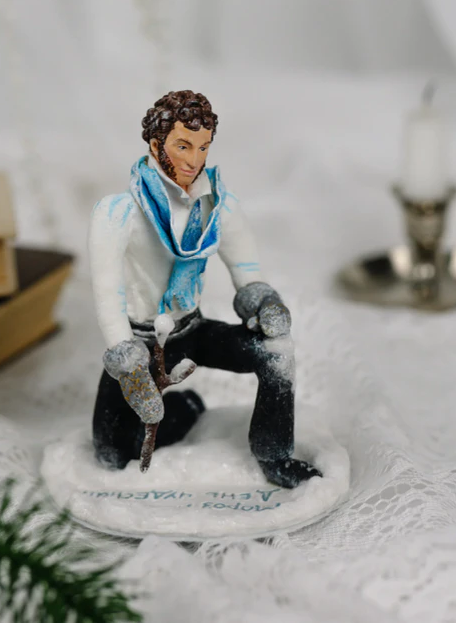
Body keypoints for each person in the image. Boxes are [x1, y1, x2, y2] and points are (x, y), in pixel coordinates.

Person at [89, 90, 321, 488]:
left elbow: (247, 271)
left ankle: (275, 456)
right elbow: (108, 294)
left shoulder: (218, 206)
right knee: (111, 454)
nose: (194, 160)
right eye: (183, 146)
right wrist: (129, 368)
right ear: (155, 144)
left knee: (277, 353)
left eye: (203, 147)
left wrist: (265, 304)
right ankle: (186, 408)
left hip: (192, 330)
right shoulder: (118, 213)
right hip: (141, 342)